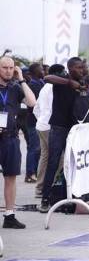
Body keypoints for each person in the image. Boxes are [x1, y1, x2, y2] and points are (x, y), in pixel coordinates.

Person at [40, 57, 88, 211]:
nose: (81, 70)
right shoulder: (62, 79)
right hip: (59, 127)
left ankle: (73, 196)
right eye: (78, 67)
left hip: (75, 128)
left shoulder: (82, 82)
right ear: (70, 68)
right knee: (53, 162)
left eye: (82, 67)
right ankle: (45, 199)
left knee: (74, 163)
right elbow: (47, 77)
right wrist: (68, 82)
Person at [0, 56, 36, 228]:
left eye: (11, 68)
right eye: (4, 67)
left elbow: (32, 102)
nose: (8, 71)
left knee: (11, 177)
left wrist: (21, 78)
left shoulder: (15, 87)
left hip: (10, 138)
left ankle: (9, 215)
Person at [33, 64, 64, 198]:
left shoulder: (45, 87)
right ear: (57, 74)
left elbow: (36, 109)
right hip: (50, 127)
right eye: (63, 72)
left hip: (41, 125)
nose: (65, 74)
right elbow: (54, 109)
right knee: (58, 158)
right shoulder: (54, 88)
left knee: (45, 157)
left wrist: (41, 120)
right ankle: (49, 187)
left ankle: (40, 188)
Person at [24, 63, 45, 183]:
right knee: (34, 148)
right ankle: (30, 173)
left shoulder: (41, 83)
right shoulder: (32, 85)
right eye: (41, 69)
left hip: (40, 121)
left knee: (38, 148)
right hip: (33, 121)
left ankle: (35, 172)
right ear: (35, 72)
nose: (43, 71)